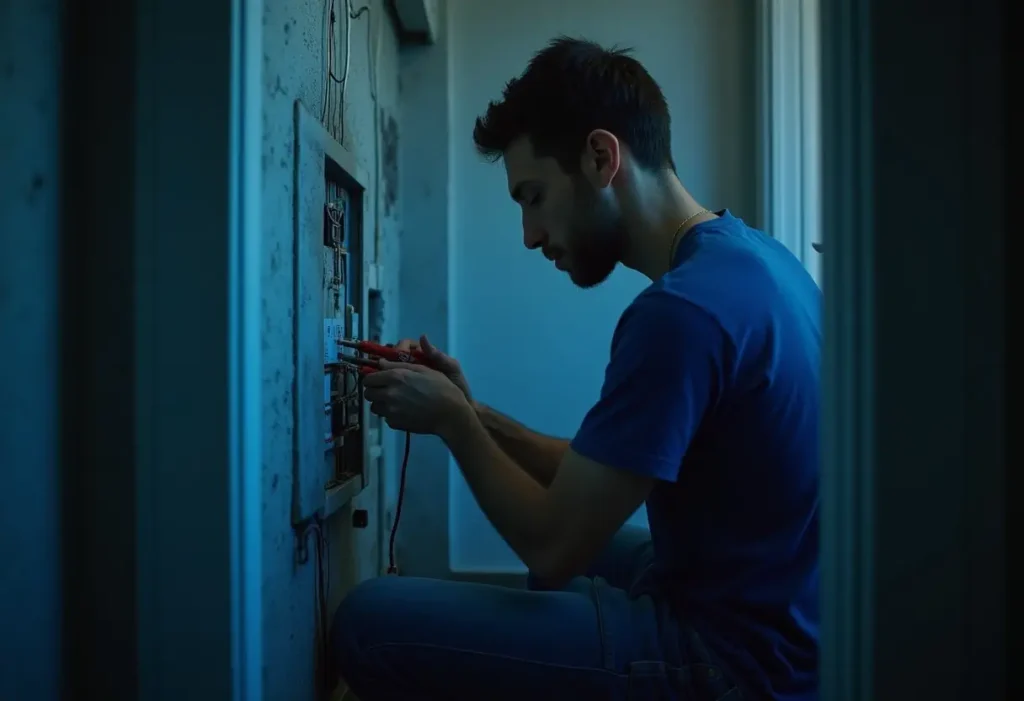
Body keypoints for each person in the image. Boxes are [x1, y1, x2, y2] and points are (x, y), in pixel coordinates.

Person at [331, 36, 820, 701]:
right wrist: (473, 411)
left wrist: (452, 425)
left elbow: (551, 542)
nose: (530, 235)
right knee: (568, 570)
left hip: (739, 659)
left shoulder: (682, 314)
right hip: (780, 617)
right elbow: (600, 477)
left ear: (600, 157)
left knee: (368, 622)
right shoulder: (752, 260)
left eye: (532, 196)